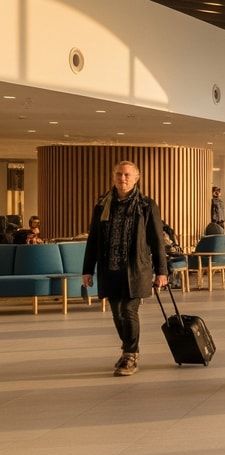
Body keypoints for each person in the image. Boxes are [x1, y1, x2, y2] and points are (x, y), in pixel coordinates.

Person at [82, 161, 169, 377]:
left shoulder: (146, 205)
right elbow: (93, 238)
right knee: (116, 313)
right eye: (119, 174)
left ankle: (130, 354)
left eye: (127, 175)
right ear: (113, 177)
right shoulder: (103, 204)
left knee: (129, 311)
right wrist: (87, 269)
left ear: (136, 178)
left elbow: (156, 239)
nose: (123, 178)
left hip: (135, 269)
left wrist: (162, 271)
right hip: (109, 268)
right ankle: (129, 348)